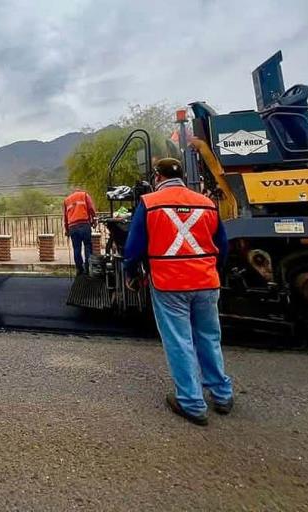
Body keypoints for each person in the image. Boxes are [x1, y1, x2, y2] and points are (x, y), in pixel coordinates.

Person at [124, 157, 233, 426]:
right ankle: (222, 394)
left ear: (157, 177)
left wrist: (131, 273)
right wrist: (212, 270)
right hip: (206, 281)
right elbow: (223, 244)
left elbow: (134, 246)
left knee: (179, 341)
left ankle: (192, 403)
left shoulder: (149, 203)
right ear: (182, 175)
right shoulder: (207, 203)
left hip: (169, 283)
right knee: (209, 337)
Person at [63, 187, 96, 274]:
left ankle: (79, 269)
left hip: (72, 227)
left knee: (76, 248)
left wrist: (67, 230)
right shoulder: (84, 195)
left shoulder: (67, 200)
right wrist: (94, 220)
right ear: (80, 190)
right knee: (88, 245)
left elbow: (66, 218)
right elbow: (91, 209)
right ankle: (88, 267)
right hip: (84, 224)